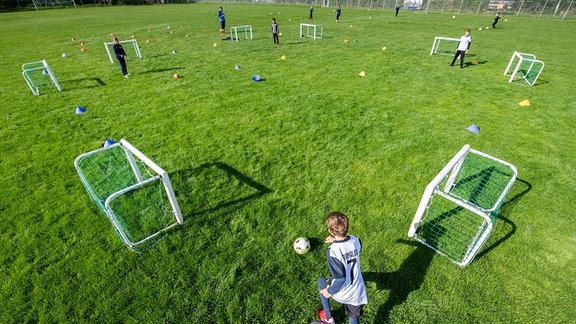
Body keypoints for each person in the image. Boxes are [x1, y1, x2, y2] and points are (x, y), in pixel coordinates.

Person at [318, 212, 368, 324]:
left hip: (340, 292)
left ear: (330, 231)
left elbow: (340, 278)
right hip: (357, 292)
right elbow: (350, 244)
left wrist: (329, 291)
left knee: (321, 282)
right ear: (347, 227)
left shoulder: (333, 251)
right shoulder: (356, 240)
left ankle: (329, 317)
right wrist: (335, 240)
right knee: (354, 317)